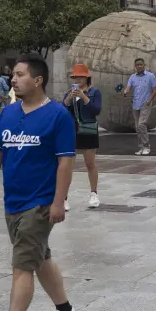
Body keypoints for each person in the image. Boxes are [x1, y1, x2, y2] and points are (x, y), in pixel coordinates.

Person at [0, 54, 77, 311]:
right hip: (13, 201)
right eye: (13, 75)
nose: (13, 79)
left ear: (38, 80)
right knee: (40, 257)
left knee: (22, 266)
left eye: (20, 74)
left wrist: (58, 202)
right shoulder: (8, 114)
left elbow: (65, 163)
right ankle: (65, 310)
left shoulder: (58, 116)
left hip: (40, 202)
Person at [63, 63, 102, 210]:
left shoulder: (94, 92)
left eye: (80, 77)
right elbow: (62, 110)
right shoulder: (70, 92)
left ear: (87, 78)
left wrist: (84, 97)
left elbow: (96, 110)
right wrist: (68, 99)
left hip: (88, 129)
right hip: (71, 131)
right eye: (75, 77)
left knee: (90, 163)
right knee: (68, 165)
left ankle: (94, 193)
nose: (77, 79)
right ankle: (64, 198)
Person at [123, 58, 156, 155]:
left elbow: (155, 91)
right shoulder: (132, 77)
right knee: (137, 127)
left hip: (145, 104)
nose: (139, 66)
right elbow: (129, 87)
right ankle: (141, 147)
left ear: (144, 65)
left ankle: (146, 146)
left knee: (141, 125)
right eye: (137, 65)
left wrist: (148, 101)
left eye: (141, 64)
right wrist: (126, 91)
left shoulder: (150, 76)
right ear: (135, 67)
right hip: (135, 104)